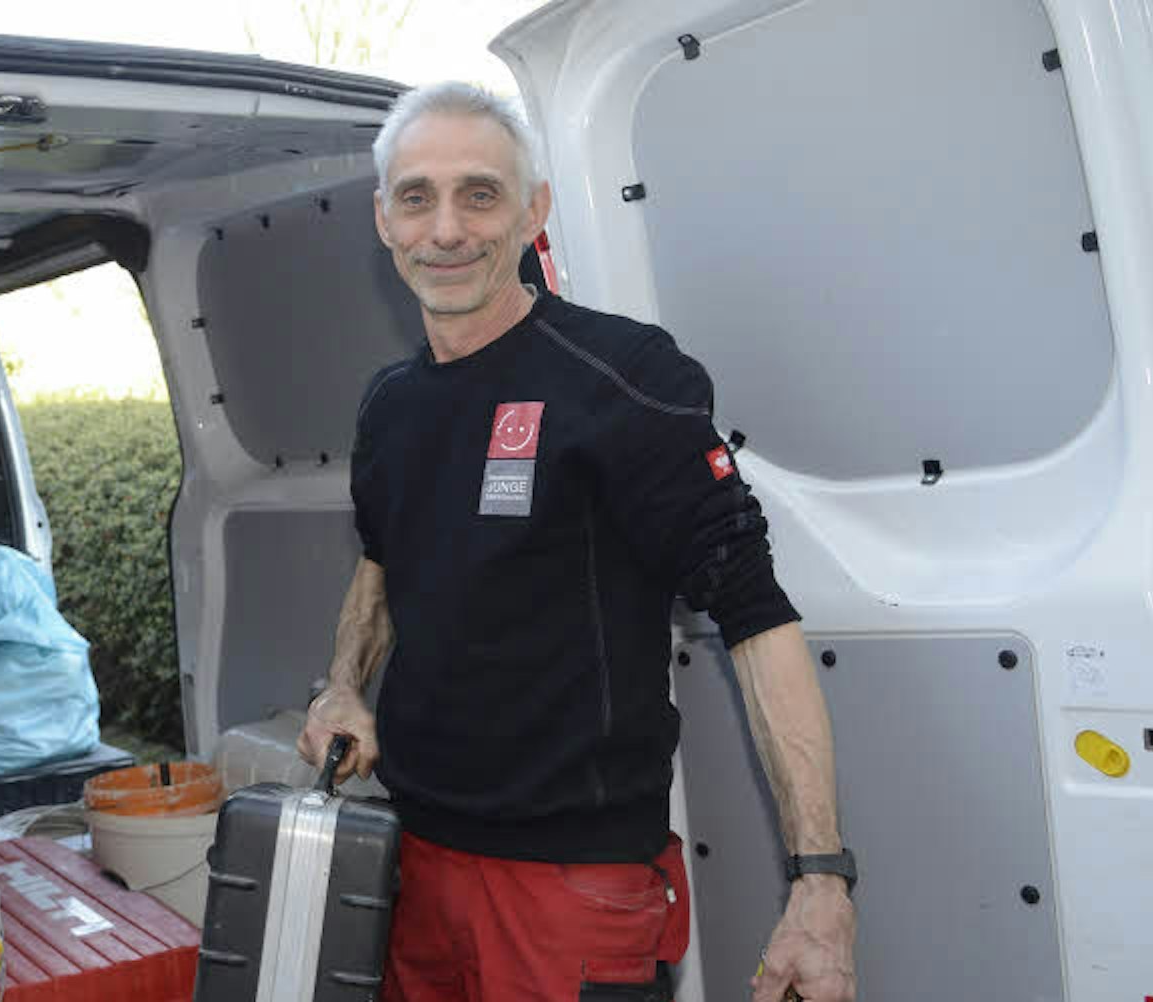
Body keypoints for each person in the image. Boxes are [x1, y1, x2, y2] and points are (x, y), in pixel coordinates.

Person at [295, 81, 858, 1002]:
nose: (446, 229)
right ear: (383, 220)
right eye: (417, 198)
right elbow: (382, 561)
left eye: (480, 194)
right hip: (412, 865)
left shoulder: (623, 378)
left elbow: (756, 616)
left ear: (533, 212)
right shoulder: (389, 405)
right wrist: (344, 686)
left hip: (572, 889)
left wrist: (820, 879)